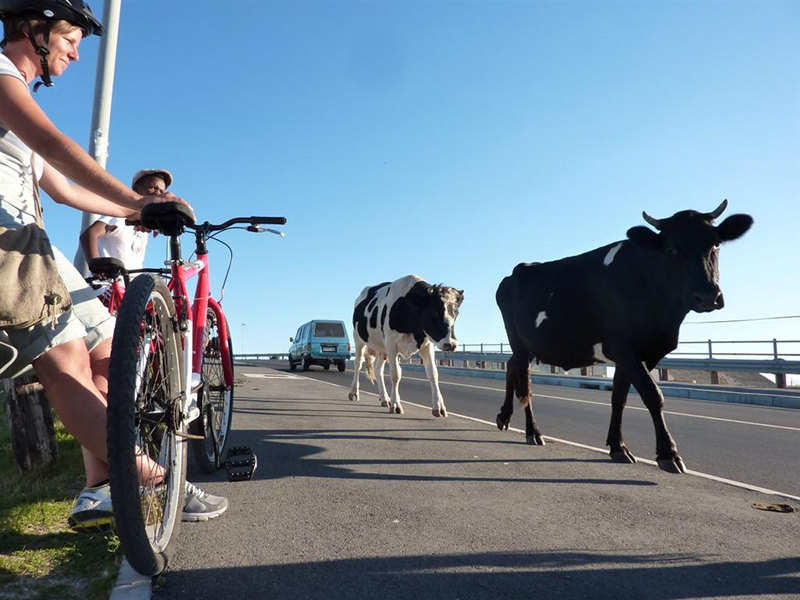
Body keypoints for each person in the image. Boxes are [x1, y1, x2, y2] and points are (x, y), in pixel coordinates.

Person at [0, 0, 226, 531]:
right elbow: (56, 148)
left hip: (34, 242)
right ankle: (155, 479)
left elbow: (61, 190)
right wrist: (138, 201)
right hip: (7, 248)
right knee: (64, 367)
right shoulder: (1, 76)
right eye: (70, 38)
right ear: (36, 29)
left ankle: (101, 490)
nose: (77, 53)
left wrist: (132, 211)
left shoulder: (17, 99)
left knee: (106, 350)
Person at [79, 169, 171, 276]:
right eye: (153, 188)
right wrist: (97, 269)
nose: (157, 193)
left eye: (161, 191)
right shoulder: (120, 216)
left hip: (131, 288)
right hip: (108, 287)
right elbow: (89, 235)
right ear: (136, 189)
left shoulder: (145, 224)